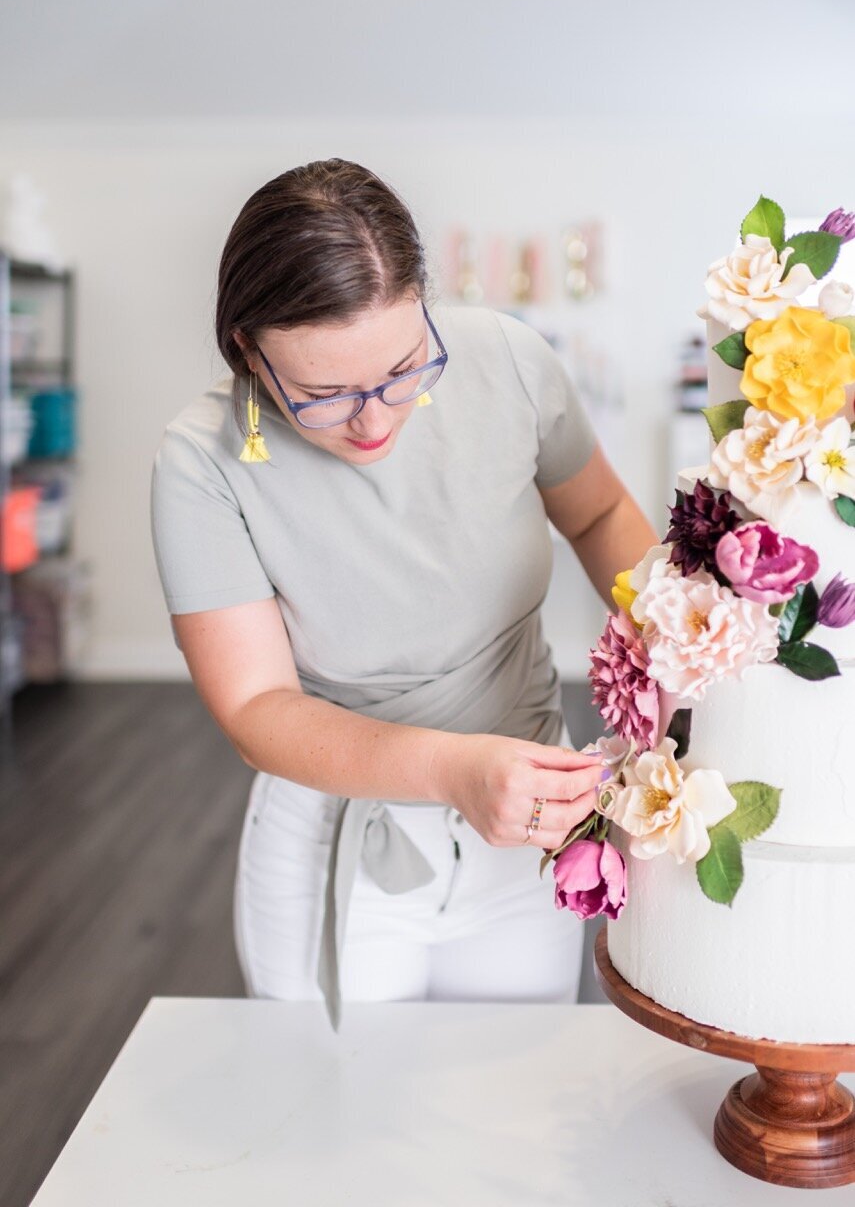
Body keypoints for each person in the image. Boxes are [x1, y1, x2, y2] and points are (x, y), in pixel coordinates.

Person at [150, 158, 657, 1030]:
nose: (375, 418)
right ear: (246, 351)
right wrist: (451, 770)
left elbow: (600, 510)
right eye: (323, 395)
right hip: (339, 841)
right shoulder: (200, 463)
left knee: (508, 1100)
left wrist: (675, 651)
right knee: (335, 1114)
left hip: (533, 821)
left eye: (403, 367)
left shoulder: (508, 359)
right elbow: (256, 709)